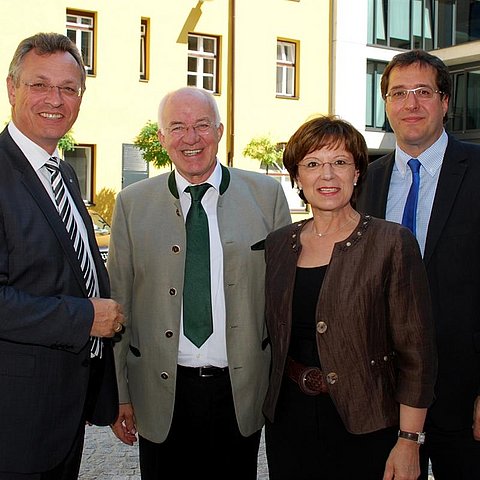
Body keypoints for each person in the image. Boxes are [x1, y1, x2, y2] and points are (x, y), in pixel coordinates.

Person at [108, 86, 291, 479]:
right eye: (177, 127)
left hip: (239, 389)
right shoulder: (131, 204)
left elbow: (283, 303)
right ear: (161, 138)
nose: (191, 138)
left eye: (201, 125)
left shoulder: (267, 196)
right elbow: (119, 304)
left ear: (220, 131)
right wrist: (120, 394)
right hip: (160, 392)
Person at [262, 115, 437, 480]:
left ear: (357, 173)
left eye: (339, 162)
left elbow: (416, 354)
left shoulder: (391, 242)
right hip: (290, 424)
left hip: (368, 424)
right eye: (312, 164)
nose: (327, 175)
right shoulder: (279, 244)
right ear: (297, 176)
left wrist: (409, 441)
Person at [0, 32, 124, 479]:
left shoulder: (64, 173)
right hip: (13, 427)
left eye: (69, 88)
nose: (55, 99)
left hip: (62, 415)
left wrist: (107, 393)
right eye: (39, 84)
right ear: (12, 88)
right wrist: (82, 319)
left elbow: (78, 274)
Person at [357, 49, 480, 480]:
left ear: (445, 101)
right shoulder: (365, 183)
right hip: (383, 398)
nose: (411, 104)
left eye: (423, 92)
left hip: (464, 399)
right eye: (398, 93)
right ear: (386, 104)